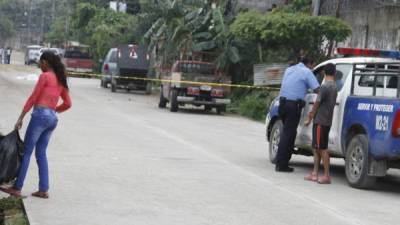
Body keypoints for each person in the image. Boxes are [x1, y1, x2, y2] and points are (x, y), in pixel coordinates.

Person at [0, 51, 72, 198]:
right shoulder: (60, 79)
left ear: (45, 62)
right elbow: (68, 104)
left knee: (26, 152)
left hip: (40, 116)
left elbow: (33, 97)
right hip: (52, 119)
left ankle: (17, 187)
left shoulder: (45, 76)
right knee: (41, 153)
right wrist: (53, 110)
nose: (39, 65)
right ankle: (43, 189)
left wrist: (21, 117)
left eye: (40, 62)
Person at [275, 56, 320, 172]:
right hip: (292, 106)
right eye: (313, 65)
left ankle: (282, 161)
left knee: (288, 133)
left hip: (282, 104)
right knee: (288, 134)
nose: (313, 68)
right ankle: (281, 164)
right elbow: (317, 90)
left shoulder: (289, 69)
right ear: (309, 63)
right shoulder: (307, 72)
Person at [304, 63, 337, 184]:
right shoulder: (334, 86)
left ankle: (326, 176)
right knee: (316, 147)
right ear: (334, 73)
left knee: (322, 149)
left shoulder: (325, 87)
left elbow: (317, 103)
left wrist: (310, 117)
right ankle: (314, 173)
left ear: (323, 73)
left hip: (320, 121)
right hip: (326, 120)